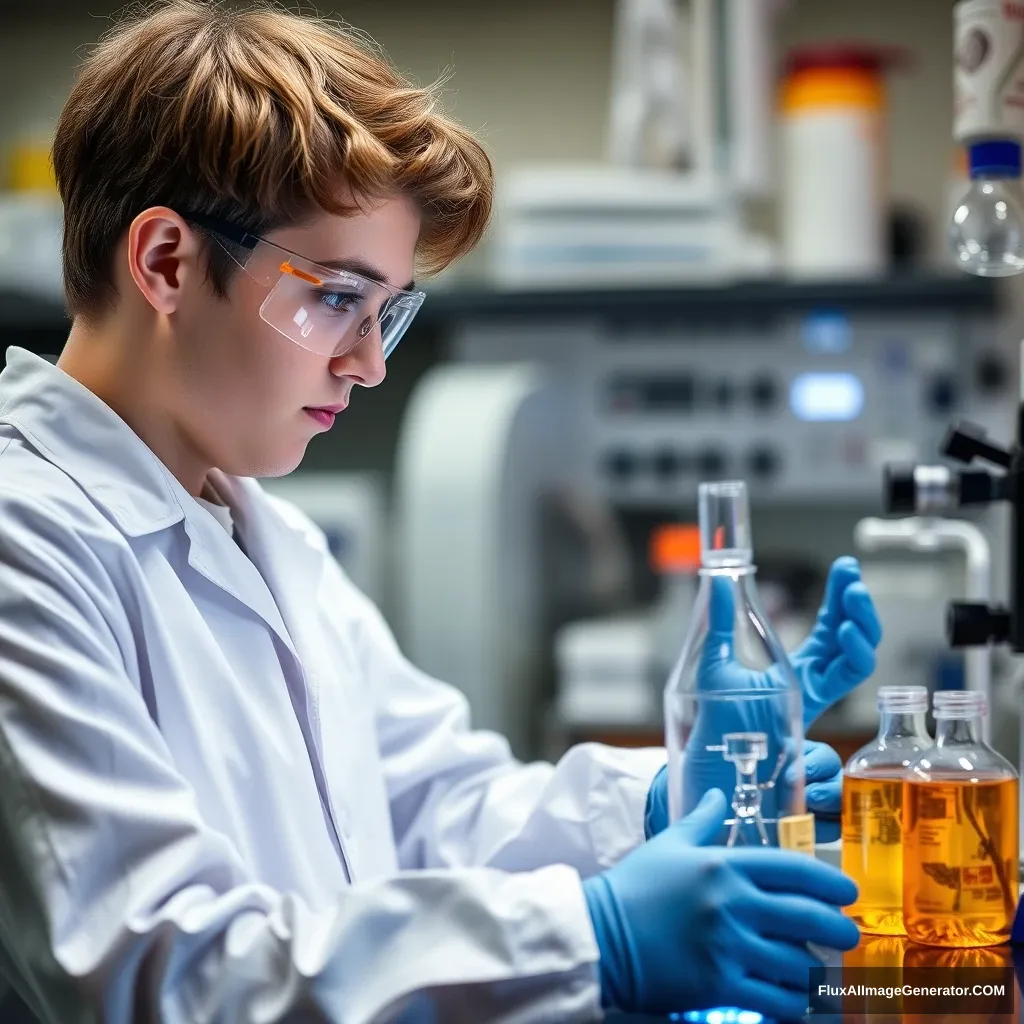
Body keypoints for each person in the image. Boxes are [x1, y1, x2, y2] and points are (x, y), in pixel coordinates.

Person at [0, 2, 882, 1021]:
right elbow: (151, 967)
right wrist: (595, 937)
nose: (369, 363)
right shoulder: (28, 545)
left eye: (389, 312)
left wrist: (660, 800)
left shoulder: (264, 535)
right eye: (337, 297)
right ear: (163, 261)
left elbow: (433, 806)